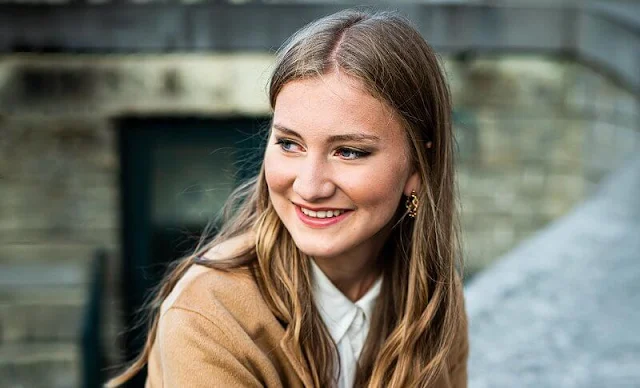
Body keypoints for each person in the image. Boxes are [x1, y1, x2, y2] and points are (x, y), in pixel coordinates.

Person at [108, 8, 468, 388]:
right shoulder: (209, 313)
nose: (310, 187)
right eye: (289, 143)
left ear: (418, 165)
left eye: (349, 151)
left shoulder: (435, 295)